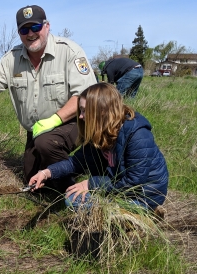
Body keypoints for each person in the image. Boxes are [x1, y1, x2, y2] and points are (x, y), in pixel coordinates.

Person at [0, 4, 97, 190]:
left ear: (47, 26)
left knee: (47, 144)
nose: (30, 34)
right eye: (24, 29)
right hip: (37, 131)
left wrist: (54, 120)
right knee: (31, 176)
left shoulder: (70, 52)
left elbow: (85, 96)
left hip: (76, 121)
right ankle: (72, 167)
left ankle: (70, 191)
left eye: (35, 27)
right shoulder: (11, 59)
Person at [29, 83, 168, 213]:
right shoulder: (100, 132)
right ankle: (122, 216)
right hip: (118, 185)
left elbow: (134, 181)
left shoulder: (138, 134)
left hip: (144, 194)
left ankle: (143, 214)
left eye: (84, 111)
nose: (81, 116)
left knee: (76, 201)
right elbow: (75, 163)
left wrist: (91, 184)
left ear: (101, 111)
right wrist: (47, 172)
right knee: (73, 199)